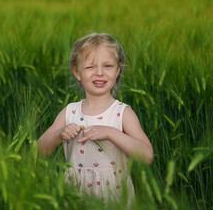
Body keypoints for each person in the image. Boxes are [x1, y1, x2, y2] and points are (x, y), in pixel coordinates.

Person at [37, 32, 153, 203]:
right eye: (90, 67)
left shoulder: (122, 113)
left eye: (107, 66)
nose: (99, 73)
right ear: (77, 72)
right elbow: (39, 150)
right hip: (77, 195)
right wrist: (59, 134)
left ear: (118, 70)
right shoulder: (70, 112)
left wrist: (112, 133)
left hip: (114, 198)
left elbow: (147, 156)